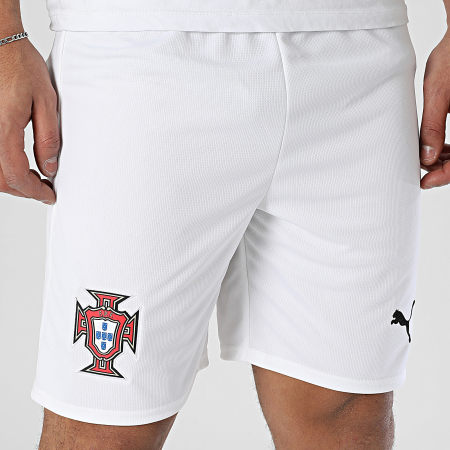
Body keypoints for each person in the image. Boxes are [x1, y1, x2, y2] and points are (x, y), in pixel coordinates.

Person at [0, 0, 449, 448]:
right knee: (103, 421)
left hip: (362, 58)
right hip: (136, 54)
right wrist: (4, 39)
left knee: (347, 412)